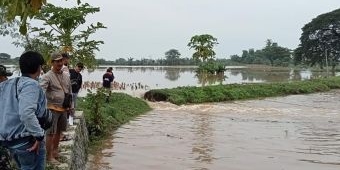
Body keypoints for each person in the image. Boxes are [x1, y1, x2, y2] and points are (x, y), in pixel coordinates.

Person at [0, 51, 47, 170]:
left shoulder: (7, 84)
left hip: (9, 142)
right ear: (38, 67)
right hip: (26, 141)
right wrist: (39, 136)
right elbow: (26, 113)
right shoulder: (31, 85)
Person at [40, 52, 72, 164]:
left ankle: (55, 151)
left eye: (60, 61)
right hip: (51, 109)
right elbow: (41, 91)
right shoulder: (47, 76)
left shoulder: (66, 76)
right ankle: (49, 156)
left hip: (63, 109)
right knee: (50, 133)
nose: (59, 63)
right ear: (52, 62)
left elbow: (69, 91)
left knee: (59, 131)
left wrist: (71, 106)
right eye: (56, 61)